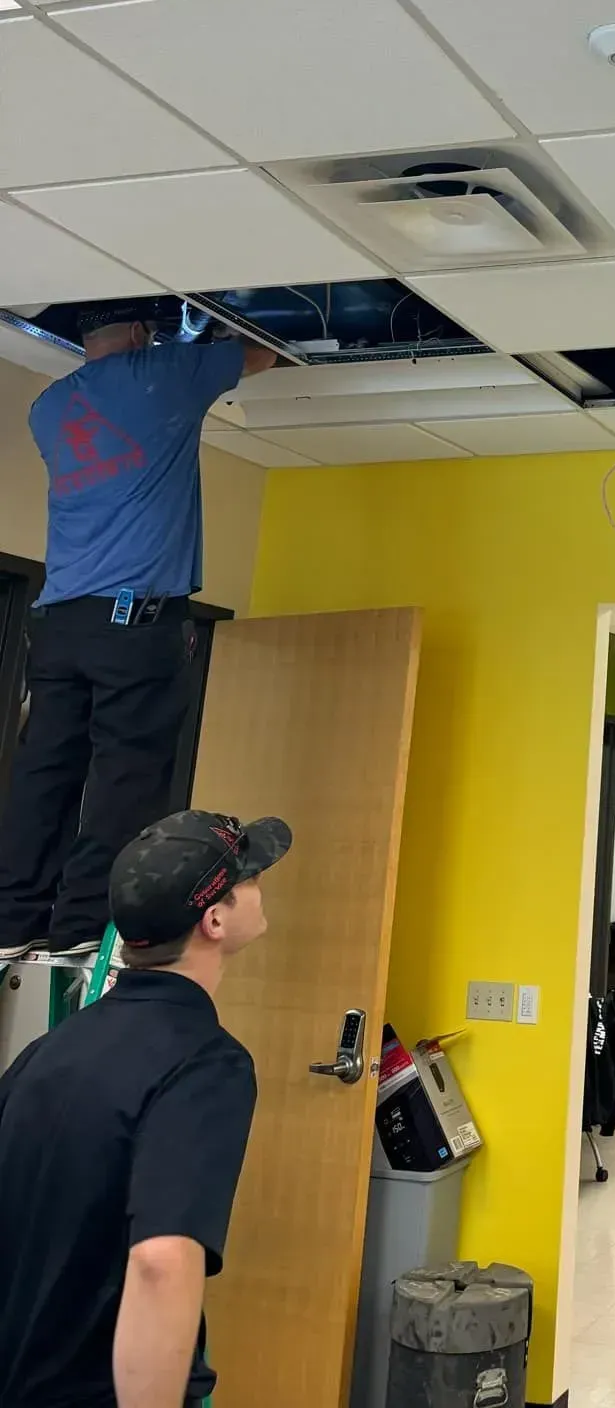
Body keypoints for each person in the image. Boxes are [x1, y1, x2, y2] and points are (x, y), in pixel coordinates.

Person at [0, 302, 276, 960]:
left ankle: (12, 923)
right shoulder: (162, 375)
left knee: (46, 775)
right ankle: (81, 933)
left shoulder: (49, 406)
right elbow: (262, 354)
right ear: (139, 333)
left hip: (61, 621)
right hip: (132, 624)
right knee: (125, 779)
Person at [0, 809, 290, 1408]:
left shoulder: (48, 1052)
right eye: (250, 880)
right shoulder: (206, 1064)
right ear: (213, 919)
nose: (261, 888)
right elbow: (162, 1261)